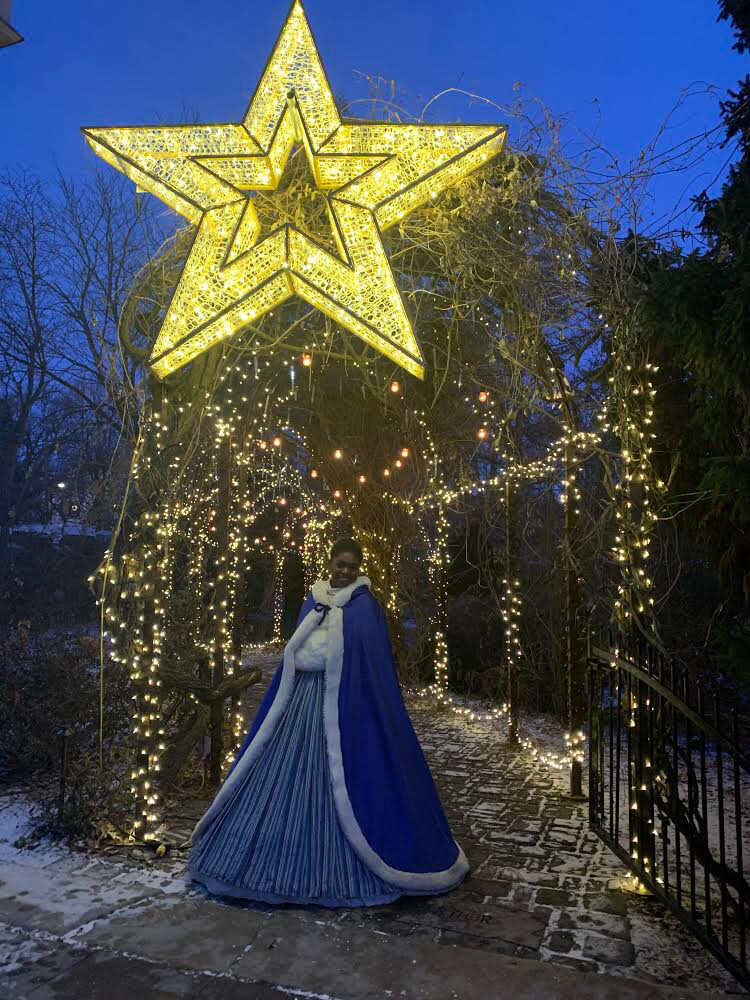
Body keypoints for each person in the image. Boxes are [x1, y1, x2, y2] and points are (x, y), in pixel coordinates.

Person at [188, 537, 468, 907]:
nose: (345, 571)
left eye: (352, 566)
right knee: (278, 767)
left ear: (359, 568)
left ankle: (342, 858)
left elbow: (371, 658)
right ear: (331, 563)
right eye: (340, 564)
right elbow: (297, 642)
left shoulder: (365, 607)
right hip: (302, 699)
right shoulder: (313, 598)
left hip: (348, 704)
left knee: (345, 774)